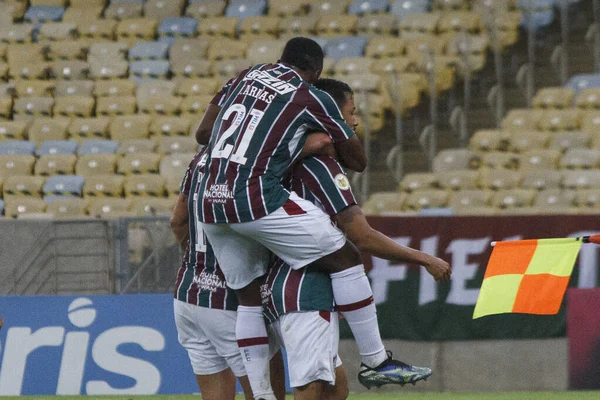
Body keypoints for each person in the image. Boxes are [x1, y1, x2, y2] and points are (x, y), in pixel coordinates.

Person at [194, 36, 425, 400]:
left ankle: (263, 395)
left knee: (249, 298)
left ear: (280, 57)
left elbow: (203, 134)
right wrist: (307, 141)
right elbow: (358, 160)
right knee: (347, 257)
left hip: (207, 201)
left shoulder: (245, 76)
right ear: (316, 72)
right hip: (252, 197)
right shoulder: (307, 95)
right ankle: (376, 361)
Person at [262, 78, 452, 399]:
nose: (355, 121)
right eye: (350, 112)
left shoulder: (277, 161)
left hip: (263, 282)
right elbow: (362, 236)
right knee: (314, 386)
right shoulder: (319, 166)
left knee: (336, 388)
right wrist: (425, 259)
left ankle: (374, 360)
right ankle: (375, 360)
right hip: (301, 288)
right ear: (330, 115)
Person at [170, 149, 285, 400]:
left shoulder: (199, 159)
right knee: (265, 393)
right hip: (234, 301)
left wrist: (198, 262)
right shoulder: (253, 159)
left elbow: (177, 221)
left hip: (188, 293)